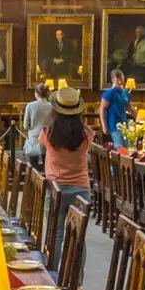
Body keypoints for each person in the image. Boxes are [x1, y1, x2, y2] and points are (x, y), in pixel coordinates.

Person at [42, 85, 93, 271]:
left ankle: (53, 275)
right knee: (79, 237)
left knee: (55, 235)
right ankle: (76, 282)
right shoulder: (87, 134)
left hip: (56, 188)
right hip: (80, 189)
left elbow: (42, 146)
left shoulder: (48, 132)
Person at [19, 82, 53, 165]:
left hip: (34, 138)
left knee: (33, 166)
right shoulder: (51, 106)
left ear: (37, 93)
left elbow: (25, 126)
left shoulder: (30, 106)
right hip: (47, 138)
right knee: (47, 165)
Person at [99, 69, 133, 148]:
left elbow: (130, 108)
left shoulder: (126, 93)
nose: (120, 82)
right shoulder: (109, 93)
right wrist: (104, 126)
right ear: (112, 80)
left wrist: (141, 118)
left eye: (121, 79)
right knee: (120, 148)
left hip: (124, 125)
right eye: (117, 80)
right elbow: (102, 109)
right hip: (114, 124)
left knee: (127, 148)